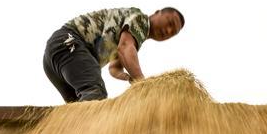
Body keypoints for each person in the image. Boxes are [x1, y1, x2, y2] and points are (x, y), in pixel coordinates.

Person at [43, 7, 185, 103]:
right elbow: (125, 48)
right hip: (69, 41)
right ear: (157, 13)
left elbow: (114, 68)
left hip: (56, 58)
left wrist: (129, 78)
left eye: (173, 32)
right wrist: (143, 83)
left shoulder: (130, 38)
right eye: (169, 22)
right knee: (96, 93)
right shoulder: (141, 20)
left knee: (79, 107)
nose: (168, 30)